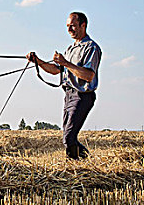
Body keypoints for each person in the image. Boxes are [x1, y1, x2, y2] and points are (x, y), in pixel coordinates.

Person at [26, 12, 101, 159]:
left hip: (82, 96)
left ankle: (84, 163)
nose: (69, 30)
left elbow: (88, 75)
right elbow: (55, 70)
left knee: (69, 137)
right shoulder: (70, 49)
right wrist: (37, 61)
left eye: (72, 26)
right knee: (67, 136)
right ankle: (82, 163)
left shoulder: (91, 48)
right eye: (67, 26)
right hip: (69, 95)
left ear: (83, 25)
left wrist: (65, 63)